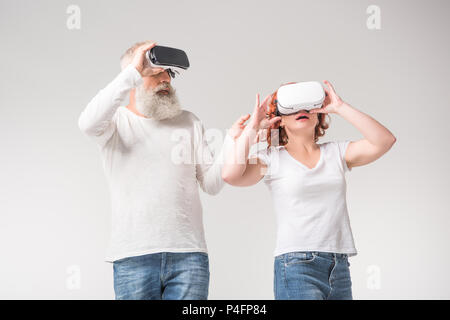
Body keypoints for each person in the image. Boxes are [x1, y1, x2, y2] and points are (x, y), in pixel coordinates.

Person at [78, 41, 233, 300]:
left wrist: (233, 141)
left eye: (168, 73)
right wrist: (132, 71)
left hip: (189, 257)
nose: (166, 79)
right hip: (133, 258)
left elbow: (212, 184)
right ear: (133, 77)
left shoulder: (189, 122)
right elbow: (87, 123)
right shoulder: (115, 123)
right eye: (156, 72)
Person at [222, 80, 396, 300]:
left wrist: (340, 106)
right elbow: (230, 175)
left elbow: (385, 141)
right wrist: (253, 127)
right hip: (296, 266)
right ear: (280, 119)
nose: (301, 111)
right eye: (292, 107)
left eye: (307, 106)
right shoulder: (272, 159)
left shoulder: (337, 153)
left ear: (319, 114)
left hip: (339, 265)